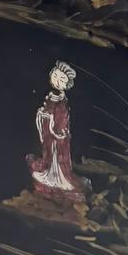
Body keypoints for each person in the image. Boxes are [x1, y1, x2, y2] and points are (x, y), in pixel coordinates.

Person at [27, 61, 89, 201]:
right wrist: (43, 115)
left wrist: (55, 129)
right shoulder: (50, 97)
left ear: (66, 85)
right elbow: (46, 111)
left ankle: (59, 179)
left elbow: (62, 120)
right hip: (49, 134)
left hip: (58, 135)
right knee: (48, 155)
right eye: (55, 76)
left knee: (58, 158)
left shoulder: (62, 103)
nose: (57, 81)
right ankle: (49, 174)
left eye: (61, 79)